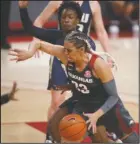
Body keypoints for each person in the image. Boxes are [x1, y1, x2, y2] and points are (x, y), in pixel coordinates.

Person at [9, 30, 139, 143]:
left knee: (129, 139)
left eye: (69, 50)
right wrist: (30, 53)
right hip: (85, 105)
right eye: (64, 49)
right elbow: (39, 44)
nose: (65, 53)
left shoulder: (98, 65)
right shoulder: (66, 56)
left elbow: (113, 96)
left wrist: (96, 115)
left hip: (107, 107)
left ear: (81, 50)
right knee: (68, 135)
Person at [18, 1, 116, 121]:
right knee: (57, 102)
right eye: (64, 17)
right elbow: (35, 26)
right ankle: (51, 136)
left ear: (78, 19)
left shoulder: (92, 6)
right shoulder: (57, 3)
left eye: (70, 17)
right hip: (60, 58)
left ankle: (107, 128)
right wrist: (23, 9)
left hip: (81, 61)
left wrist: (109, 55)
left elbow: (101, 31)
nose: (66, 20)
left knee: (93, 98)